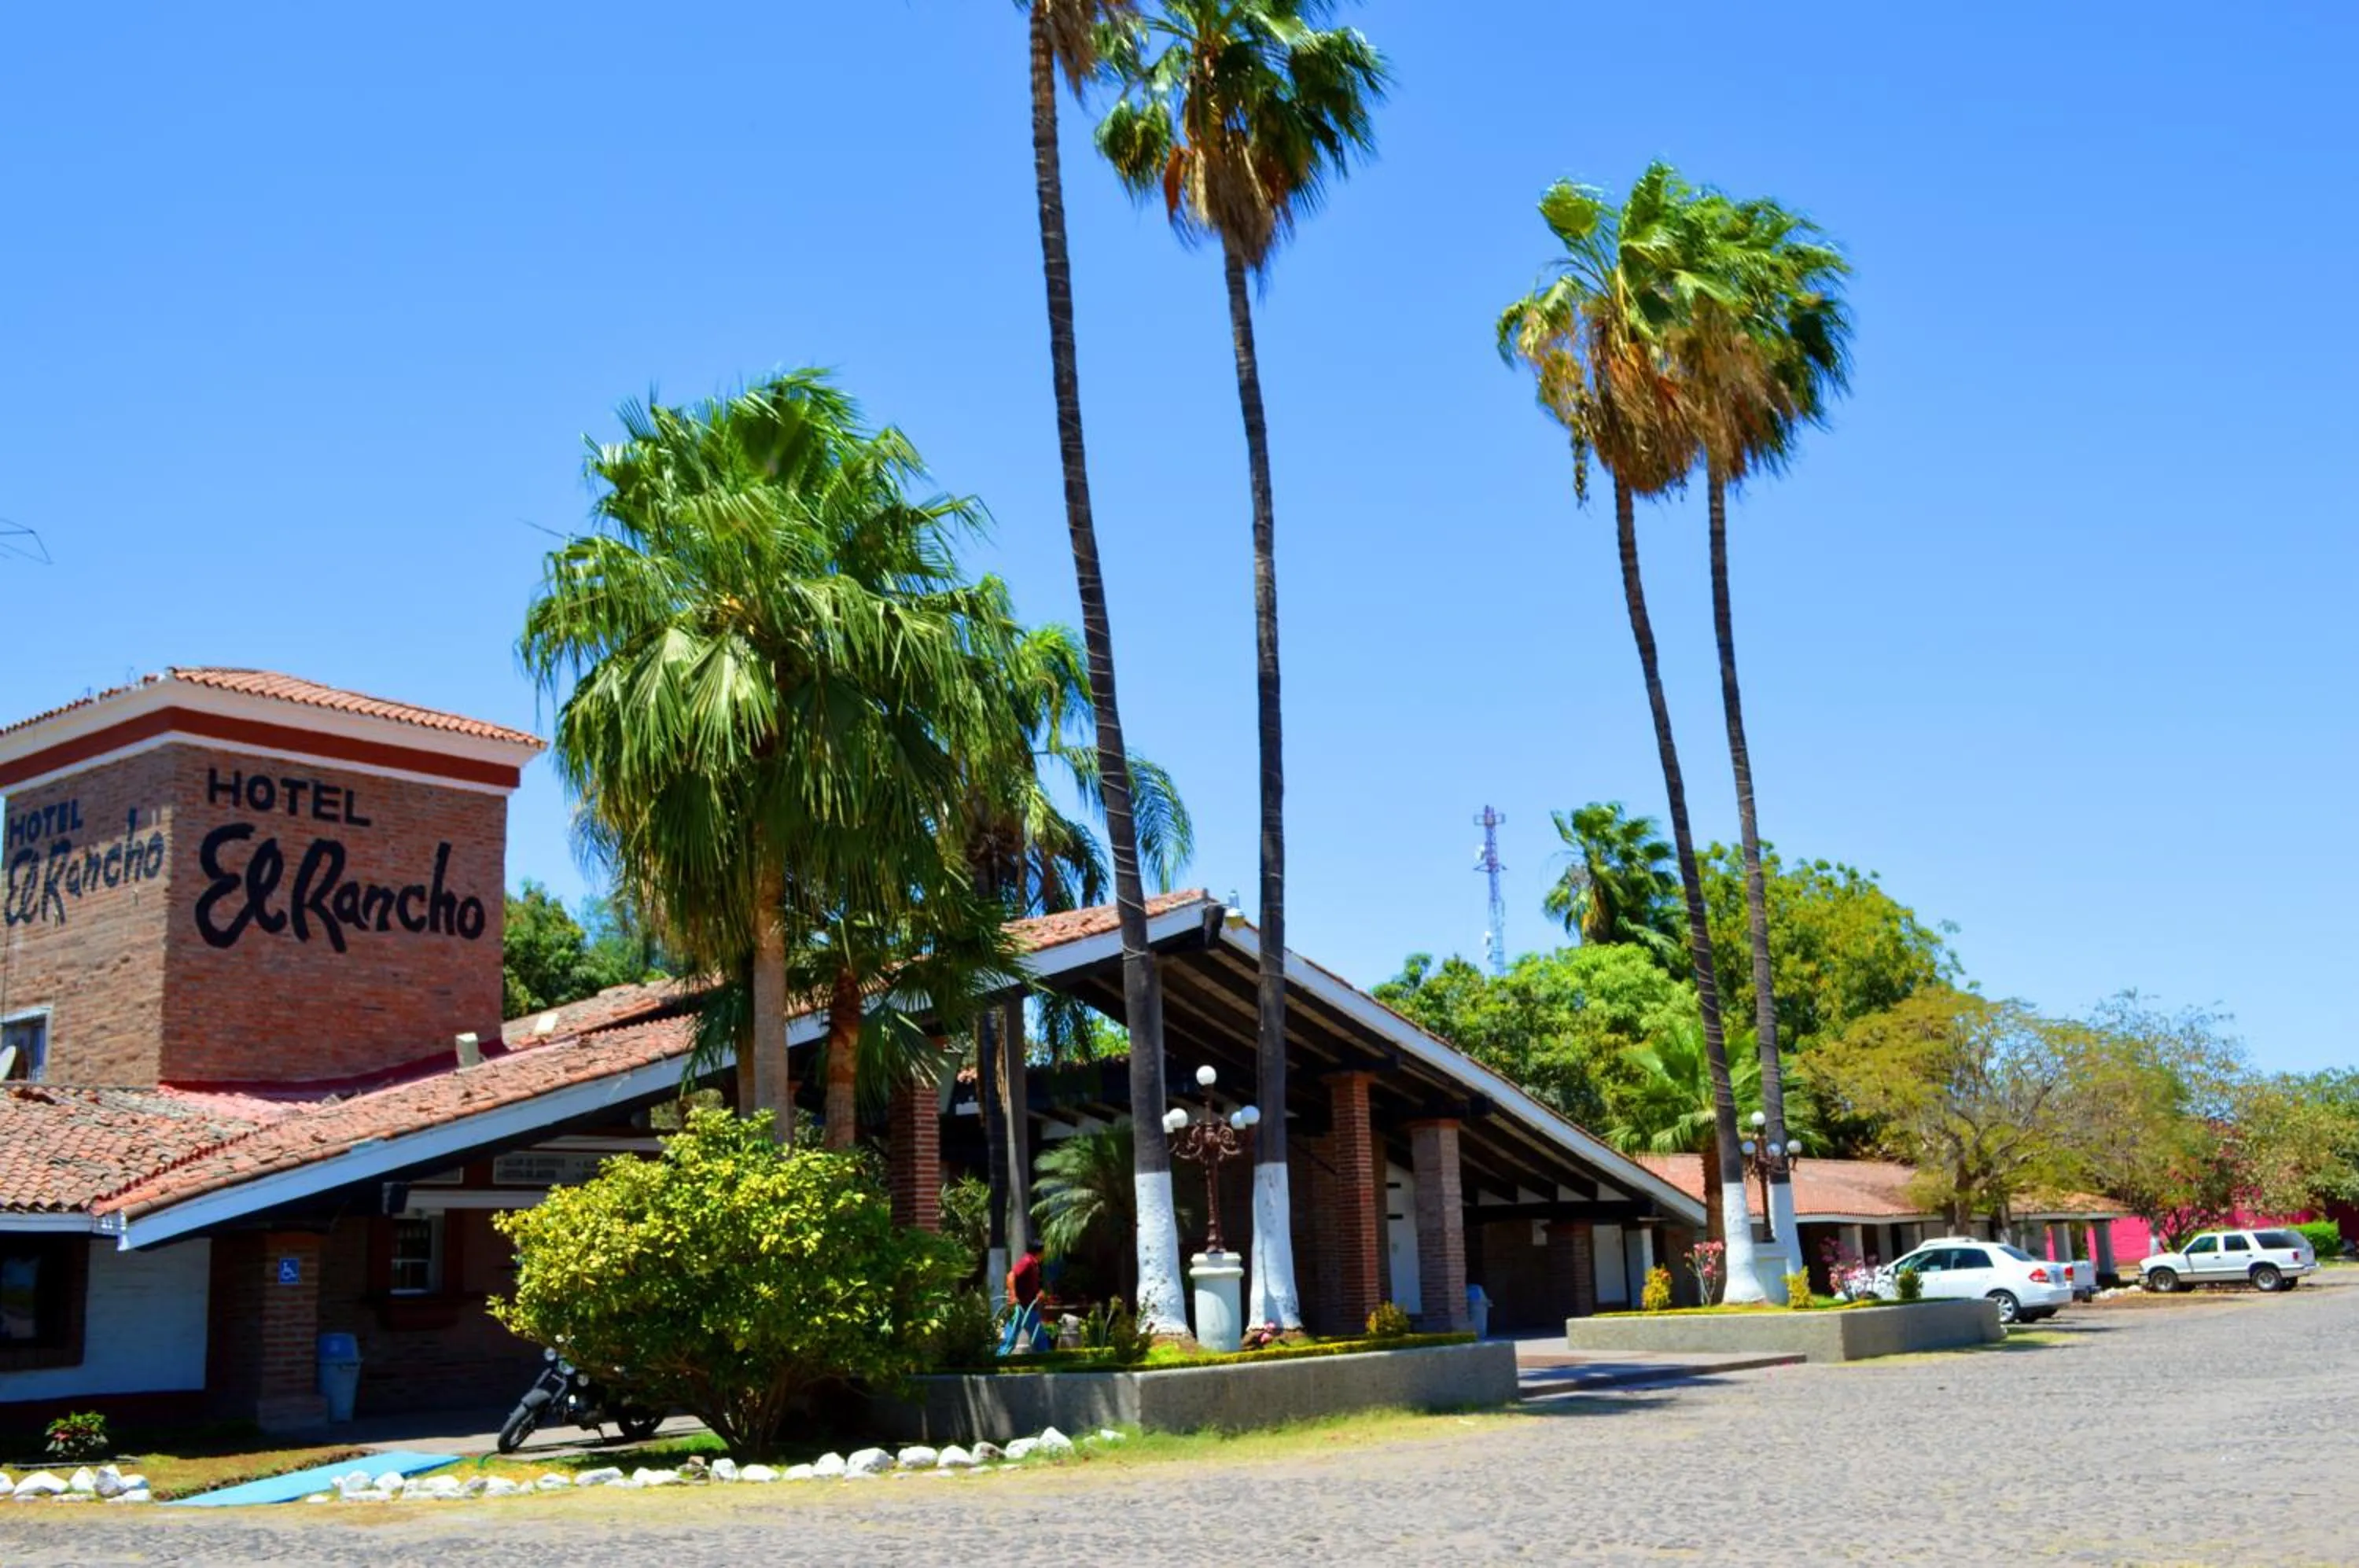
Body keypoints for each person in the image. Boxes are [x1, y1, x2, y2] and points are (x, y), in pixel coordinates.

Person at [1000, 1240, 1051, 1355]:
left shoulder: (1034, 1264)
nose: (1045, 1254)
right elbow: (1011, 1275)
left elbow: (1029, 1284)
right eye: (1044, 1252)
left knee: (1038, 1337)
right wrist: (1012, 1295)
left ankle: (1046, 1358)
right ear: (1038, 1252)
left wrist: (1038, 1293)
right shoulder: (1027, 1261)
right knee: (1012, 1337)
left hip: (1028, 1308)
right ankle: (999, 1359)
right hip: (1022, 1308)